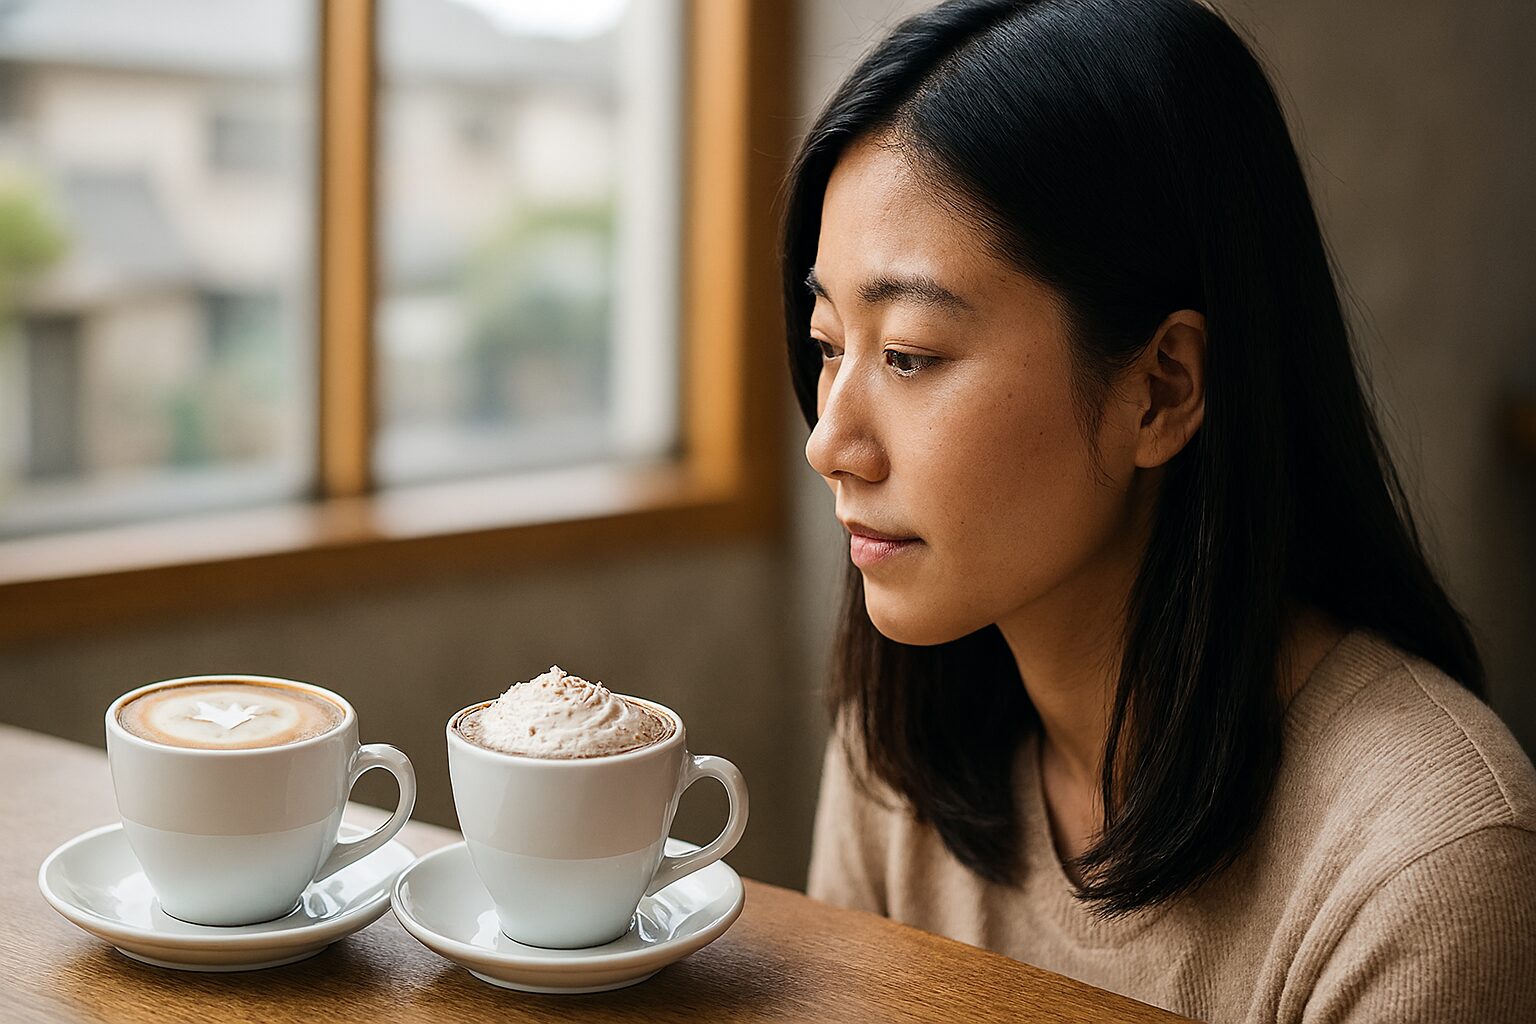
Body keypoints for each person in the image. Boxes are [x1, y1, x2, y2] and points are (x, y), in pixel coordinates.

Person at [783, 1, 1536, 1020]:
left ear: (1164, 388)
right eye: (830, 344)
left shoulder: (1429, 866)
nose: (830, 440)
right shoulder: (901, 745)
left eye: (909, 353)